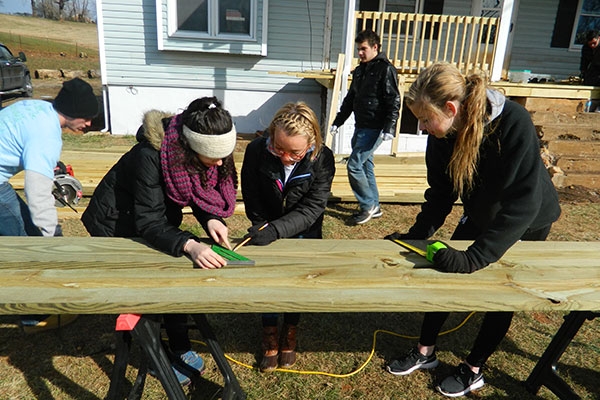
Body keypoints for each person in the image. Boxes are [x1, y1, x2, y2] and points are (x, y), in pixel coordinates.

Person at [384, 63, 561, 397]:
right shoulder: (441, 134)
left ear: (451, 109)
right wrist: (417, 234)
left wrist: (475, 258)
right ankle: (425, 351)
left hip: (527, 218)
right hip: (481, 211)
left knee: (501, 294)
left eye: (425, 118)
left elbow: (523, 203)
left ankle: (474, 367)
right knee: (444, 275)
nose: (421, 127)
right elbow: (441, 193)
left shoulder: (512, 122)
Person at [82, 96, 237, 387]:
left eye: (223, 155)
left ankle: (179, 345)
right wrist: (191, 245)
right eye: (213, 157)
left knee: (171, 282)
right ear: (192, 148)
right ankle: (158, 357)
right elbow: (149, 222)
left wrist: (210, 218)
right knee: (145, 293)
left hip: (150, 217)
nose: (219, 163)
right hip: (116, 223)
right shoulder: (150, 157)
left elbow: (195, 189)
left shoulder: (191, 151)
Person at [241, 102, 335, 372]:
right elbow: (251, 194)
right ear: (271, 135)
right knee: (268, 278)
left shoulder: (323, 158)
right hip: (266, 223)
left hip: (305, 229)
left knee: (298, 280)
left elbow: (312, 208)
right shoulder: (256, 150)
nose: (284, 158)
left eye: (295, 153)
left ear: (311, 145)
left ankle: (290, 329)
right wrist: (262, 226)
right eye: (278, 148)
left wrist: (277, 230)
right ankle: (269, 330)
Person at [0, 77, 98, 333]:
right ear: (72, 113)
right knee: (25, 248)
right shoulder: (47, 136)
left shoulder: (37, 107)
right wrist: (52, 235)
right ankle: (35, 316)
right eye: (87, 118)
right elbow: (37, 192)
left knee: (26, 236)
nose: (89, 124)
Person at [330, 29, 400, 225]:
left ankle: (367, 205)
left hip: (375, 128)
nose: (360, 53)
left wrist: (389, 128)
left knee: (354, 165)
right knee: (365, 165)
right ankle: (374, 206)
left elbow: (394, 100)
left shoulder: (385, 69)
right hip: (361, 126)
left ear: (375, 47)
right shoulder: (360, 71)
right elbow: (350, 99)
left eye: (363, 49)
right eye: (358, 49)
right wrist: (338, 121)